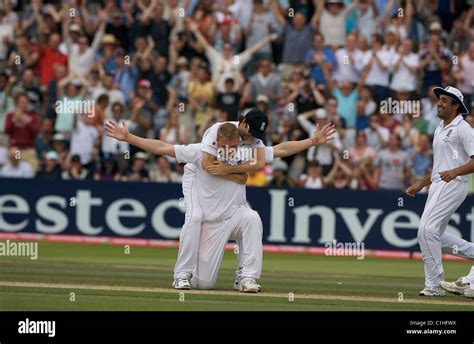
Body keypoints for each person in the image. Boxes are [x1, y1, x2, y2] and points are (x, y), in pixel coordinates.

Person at [105, 116, 335, 291]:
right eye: (226, 146)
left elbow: (280, 150)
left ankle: (246, 277)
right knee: (204, 280)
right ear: (218, 141)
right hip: (208, 218)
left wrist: (313, 140)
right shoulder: (201, 150)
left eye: (234, 146)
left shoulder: (247, 149)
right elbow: (163, 148)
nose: (231, 150)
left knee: (252, 218)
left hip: (233, 214)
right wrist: (129, 138)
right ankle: (182, 275)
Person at [405, 86, 474, 297]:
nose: (439, 103)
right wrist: (422, 182)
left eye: (445, 100)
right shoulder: (439, 128)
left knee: (425, 230)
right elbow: (439, 165)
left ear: (456, 106)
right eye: (440, 99)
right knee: (436, 235)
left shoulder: (464, 129)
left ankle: (434, 285)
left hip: (454, 184)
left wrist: (454, 172)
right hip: (438, 184)